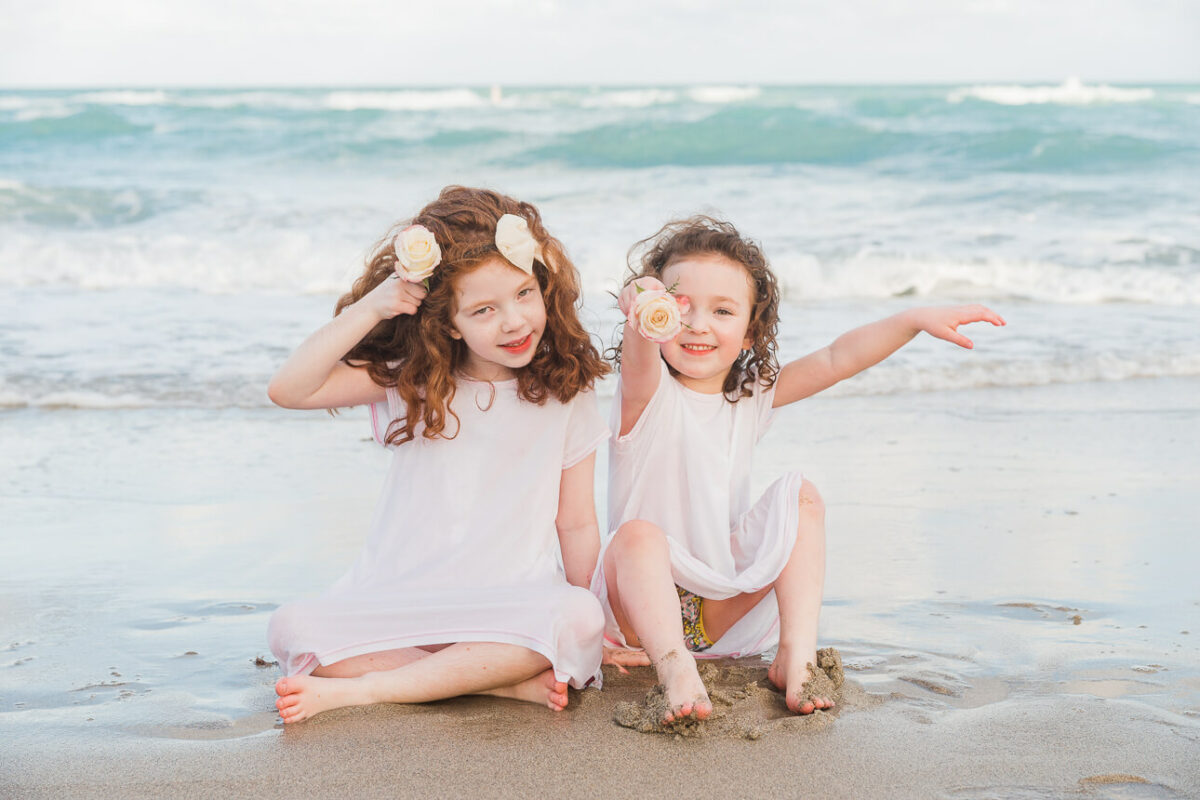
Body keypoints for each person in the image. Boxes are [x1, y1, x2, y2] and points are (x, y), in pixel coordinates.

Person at [596, 216, 1005, 723]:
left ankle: (797, 654)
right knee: (636, 536)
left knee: (801, 497)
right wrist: (641, 299)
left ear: (749, 331)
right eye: (680, 307)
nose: (698, 324)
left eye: (722, 310)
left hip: (717, 609)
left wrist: (911, 320)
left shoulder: (750, 398)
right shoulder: (645, 394)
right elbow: (639, 355)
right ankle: (676, 671)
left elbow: (836, 358)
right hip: (638, 614)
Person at [266, 186, 611, 723]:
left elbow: (577, 521)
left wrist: (598, 621)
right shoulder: (416, 379)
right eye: (484, 310)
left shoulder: (568, 390)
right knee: (293, 627)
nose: (514, 322)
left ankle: (371, 688)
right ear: (449, 322)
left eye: (524, 294)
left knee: (579, 615)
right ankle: (493, 686)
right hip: (399, 600)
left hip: (509, 603)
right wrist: (371, 306)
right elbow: (290, 390)